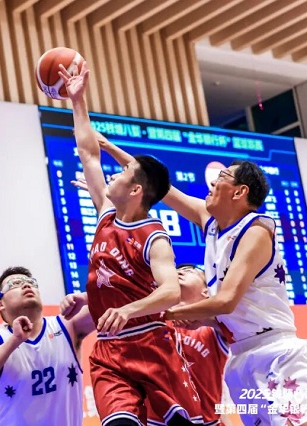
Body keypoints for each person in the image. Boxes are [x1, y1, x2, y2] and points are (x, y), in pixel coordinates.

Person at [95, 136, 307, 426]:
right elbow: (160, 186)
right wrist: (110, 148)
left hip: (275, 351)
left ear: (239, 192)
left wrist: (164, 313)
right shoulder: (211, 222)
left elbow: (226, 302)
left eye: (222, 177)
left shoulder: (255, 231)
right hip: (240, 356)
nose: (212, 183)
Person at [59, 62, 198, 426]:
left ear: (136, 190)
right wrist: (78, 100)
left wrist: (127, 310)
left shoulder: (155, 237)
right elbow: (89, 153)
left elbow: (170, 291)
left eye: (122, 171)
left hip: (153, 346)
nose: (114, 173)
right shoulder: (106, 213)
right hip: (110, 351)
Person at [0, 266, 94, 426]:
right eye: (15, 284)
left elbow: (116, 301)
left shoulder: (67, 325)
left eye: (31, 282)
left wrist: (85, 298)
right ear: (0, 304)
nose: (26, 285)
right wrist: (15, 340)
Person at [146, 265, 230, 426]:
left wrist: (196, 315)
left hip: (206, 422)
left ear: (207, 292)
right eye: (175, 271)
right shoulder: (150, 321)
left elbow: (232, 322)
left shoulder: (212, 328)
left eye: (190, 270)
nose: (179, 271)